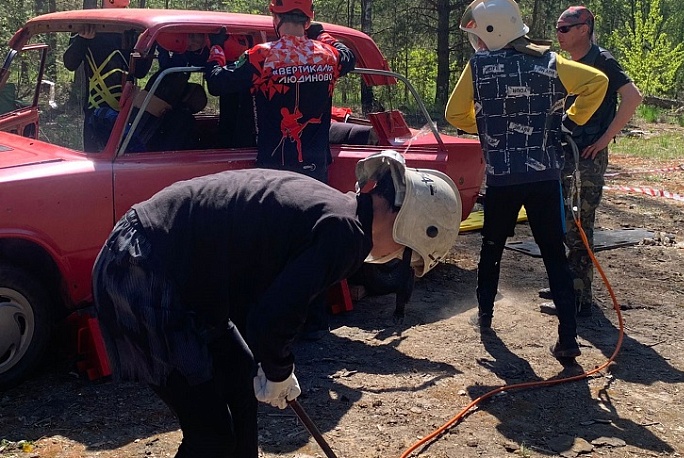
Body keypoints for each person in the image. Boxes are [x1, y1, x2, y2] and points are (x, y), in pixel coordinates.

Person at [92, 150, 462, 457]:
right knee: (211, 436)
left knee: (240, 374)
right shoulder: (347, 235)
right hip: (142, 270)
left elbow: (258, 295)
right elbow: (272, 318)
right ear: (407, 228)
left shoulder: (338, 214)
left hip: (170, 267)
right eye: (405, 256)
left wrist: (273, 364)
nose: (395, 259)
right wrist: (280, 368)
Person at [445, 0, 608, 360]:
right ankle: (568, 338)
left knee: (491, 250)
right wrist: (569, 120)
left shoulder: (478, 66)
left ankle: (485, 317)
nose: (477, 44)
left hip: (503, 178)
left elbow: (454, 113)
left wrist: (489, 127)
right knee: (554, 254)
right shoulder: (552, 62)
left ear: (492, 31)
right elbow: (598, 82)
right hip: (544, 176)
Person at [539, 6, 643, 316]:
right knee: (560, 222)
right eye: (558, 28)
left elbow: (633, 96)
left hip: (587, 156)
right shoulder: (569, 64)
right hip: (564, 152)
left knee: (579, 225)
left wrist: (604, 138)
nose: (559, 34)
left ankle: (579, 297)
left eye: (565, 28)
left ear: (584, 29)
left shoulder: (602, 61)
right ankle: (566, 283)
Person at [205, 0, 357, 183]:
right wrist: (322, 35)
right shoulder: (329, 55)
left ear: (276, 19)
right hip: (317, 168)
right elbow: (348, 55)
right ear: (307, 22)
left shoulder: (262, 56)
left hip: (275, 169)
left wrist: (216, 49)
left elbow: (217, 83)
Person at [63, 0, 151, 152]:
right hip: (95, 111)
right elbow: (70, 63)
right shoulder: (89, 23)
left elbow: (140, 72)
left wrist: (148, 46)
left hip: (126, 111)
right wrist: (83, 40)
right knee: (95, 163)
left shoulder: (134, 26)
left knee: (127, 163)